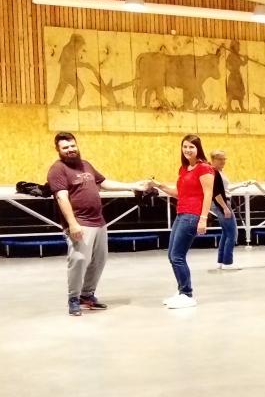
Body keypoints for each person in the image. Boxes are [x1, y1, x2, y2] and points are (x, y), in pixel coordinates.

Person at [46, 132, 148, 316]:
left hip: (98, 222)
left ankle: (87, 295)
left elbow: (104, 182)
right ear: (58, 150)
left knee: (99, 260)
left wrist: (133, 185)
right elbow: (62, 198)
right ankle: (73, 299)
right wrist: (73, 224)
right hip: (80, 223)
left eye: (72, 145)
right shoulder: (57, 169)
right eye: (65, 147)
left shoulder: (86, 165)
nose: (70, 150)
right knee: (79, 260)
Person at [151, 134, 214, 309]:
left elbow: (208, 194)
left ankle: (187, 294)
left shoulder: (204, 168)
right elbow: (179, 193)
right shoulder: (184, 169)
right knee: (172, 255)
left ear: (198, 149)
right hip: (181, 213)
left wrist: (203, 219)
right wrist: (159, 185)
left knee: (177, 256)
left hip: (193, 215)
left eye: (191, 147)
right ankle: (182, 292)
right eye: (185, 146)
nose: (187, 150)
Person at [209, 150, 241, 271]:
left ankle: (221, 260)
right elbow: (216, 192)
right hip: (221, 203)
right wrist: (224, 207)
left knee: (226, 232)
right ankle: (228, 262)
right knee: (232, 233)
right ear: (213, 160)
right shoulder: (214, 172)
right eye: (220, 159)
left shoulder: (219, 172)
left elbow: (225, 189)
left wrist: (241, 185)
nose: (223, 161)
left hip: (222, 202)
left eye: (224, 159)